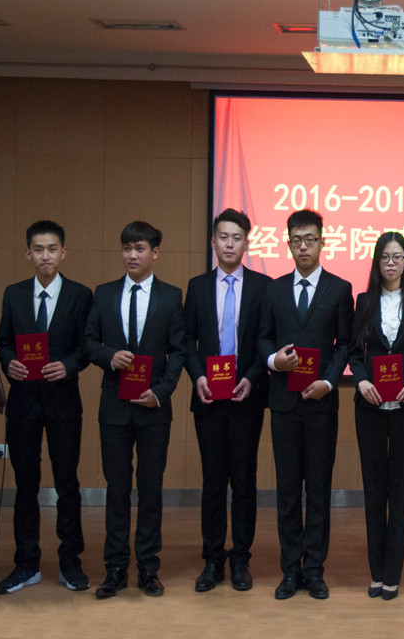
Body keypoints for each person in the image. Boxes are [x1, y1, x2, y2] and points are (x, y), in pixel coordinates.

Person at [82, 220, 185, 598]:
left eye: (139, 248)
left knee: (151, 488)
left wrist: (161, 392)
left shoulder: (171, 296)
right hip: (114, 406)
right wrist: (110, 356)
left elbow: (179, 352)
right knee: (117, 488)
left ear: (154, 253)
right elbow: (88, 342)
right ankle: (115, 568)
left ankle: (147, 567)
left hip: (153, 407)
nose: (132, 255)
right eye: (127, 248)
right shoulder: (105, 293)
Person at [257, 209, 353, 600]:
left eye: (310, 240)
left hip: (320, 405)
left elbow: (345, 345)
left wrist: (328, 382)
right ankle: (289, 571)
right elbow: (263, 338)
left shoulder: (340, 289)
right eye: (296, 240)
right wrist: (273, 361)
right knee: (286, 491)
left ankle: (314, 570)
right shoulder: (274, 289)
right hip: (283, 404)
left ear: (322, 242)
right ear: (288, 243)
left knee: (317, 490)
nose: (303, 247)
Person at [0, 221, 93, 594]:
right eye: (38, 249)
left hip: (63, 402)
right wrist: (9, 363)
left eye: (52, 249)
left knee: (67, 483)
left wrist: (68, 365)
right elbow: (4, 342)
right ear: (28, 254)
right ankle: (26, 564)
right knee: (25, 485)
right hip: (23, 403)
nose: (45, 256)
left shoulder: (80, 295)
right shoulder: (14, 294)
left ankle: (70, 563)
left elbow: (87, 346)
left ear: (63, 253)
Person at [183, 209, 271, 592]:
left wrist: (252, 377)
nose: (230, 244)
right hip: (208, 398)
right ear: (213, 242)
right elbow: (186, 340)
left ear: (246, 243)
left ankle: (241, 560)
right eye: (223, 237)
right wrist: (198, 376)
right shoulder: (198, 286)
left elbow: (267, 340)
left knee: (245, 481)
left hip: (246, 397)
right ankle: (212, 559)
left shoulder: (263, 287)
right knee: (213, 481)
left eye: (237, 237)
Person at [350, 232, 404, 601]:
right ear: (377, 261)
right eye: (385, 257)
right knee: (374, 490)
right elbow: (355, 353)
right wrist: (362, 379)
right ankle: (376, 571)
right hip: (369, 407)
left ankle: (392, 574)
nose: (391, 263)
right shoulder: (364, 301)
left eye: (397, 257)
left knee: (399, 492)